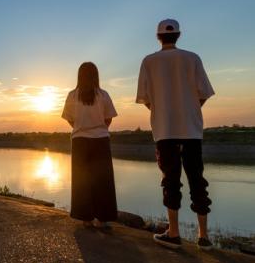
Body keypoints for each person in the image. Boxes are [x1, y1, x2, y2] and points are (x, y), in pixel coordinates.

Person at [136, 19, 215, 250]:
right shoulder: (193, 58)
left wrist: (162, 111)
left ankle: (174, 233)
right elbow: (204, 93)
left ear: (158, 37)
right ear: (178, 35)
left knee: (170, 181)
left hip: (165, 130)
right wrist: (190, 108)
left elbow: (145, 99)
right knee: (197, 180)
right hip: (191, 130)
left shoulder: (149, 61)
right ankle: (204, 237)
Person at [62, 62, 118, 229]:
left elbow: (70, 119)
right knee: (103, 180)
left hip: (80, 141)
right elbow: (108, 118)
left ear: (79, 76)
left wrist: (81, 128)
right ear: (96, 76)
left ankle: (86, 218)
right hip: (100, 140)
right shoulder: (103, 95)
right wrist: (98, 129)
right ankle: (103, 219)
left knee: (82, 181)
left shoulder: (72, 95)